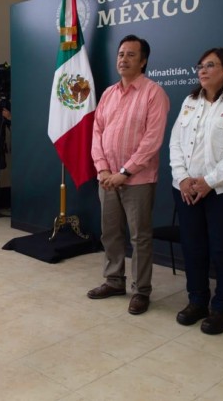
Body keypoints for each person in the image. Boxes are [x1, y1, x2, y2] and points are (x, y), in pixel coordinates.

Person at [168, 48, 223, 335]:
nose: (202, 71)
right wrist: (182, 178)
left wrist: (209, 181)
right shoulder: (190, 101)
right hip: (187, 189)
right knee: (193, 249)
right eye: (200, 66)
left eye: (210, 65)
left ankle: (222, 307)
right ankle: (197, 301)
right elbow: (176, 143)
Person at [87, 34, 170, 315]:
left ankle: (141, 291)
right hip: (107, 178)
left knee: (140, 237)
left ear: (144, 60)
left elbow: (152, 140)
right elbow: (96, 132)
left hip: (137, 180)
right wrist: (103, 169)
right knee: (110, 233)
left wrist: (124, 172)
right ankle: (113, 281)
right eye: (121, 54)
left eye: (131, 55)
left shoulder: (154, 93)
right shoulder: (109, 93)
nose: (123, 59)